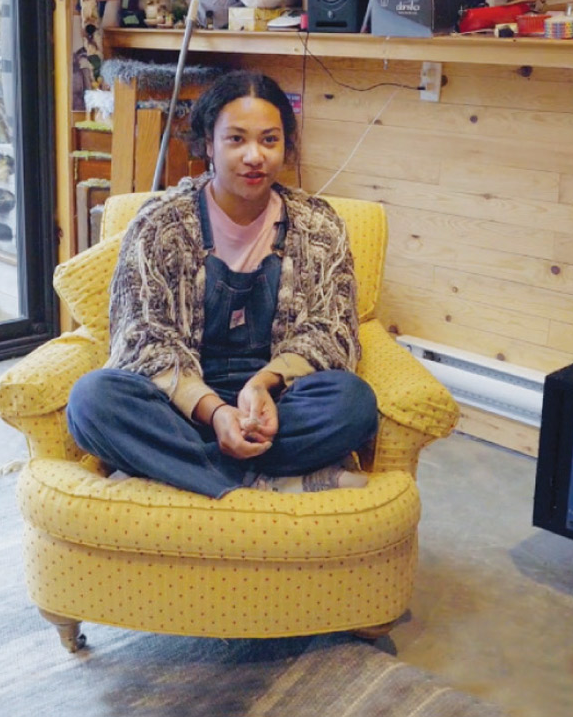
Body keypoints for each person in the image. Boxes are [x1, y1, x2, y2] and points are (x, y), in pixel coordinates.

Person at [65, 71, 377, 497]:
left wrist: (262, 385)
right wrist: (214, 413)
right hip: (182, 405)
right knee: (91, 402)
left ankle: (181, 468)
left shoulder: (318, 226)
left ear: (285, 146)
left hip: (276, 406)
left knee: (354, 403)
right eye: (236, 139)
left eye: (269, 140)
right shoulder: (160, 225)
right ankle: (271, 478)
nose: (254, 156)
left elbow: (331, 332)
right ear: (209, 144)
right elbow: (143, 338)